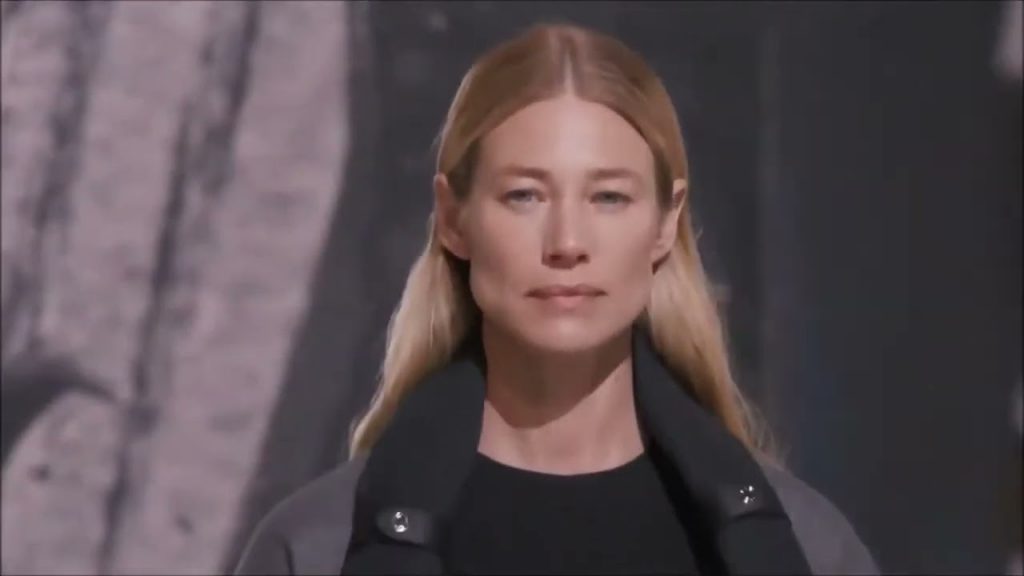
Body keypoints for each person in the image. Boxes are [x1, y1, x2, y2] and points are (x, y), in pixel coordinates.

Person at [235, 22, 878, 575]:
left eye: (609, 197)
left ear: (665, 222)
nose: (567, 242)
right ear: (453, 218)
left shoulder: (803, 549)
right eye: (525, 196)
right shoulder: (319, 549)